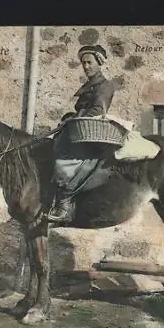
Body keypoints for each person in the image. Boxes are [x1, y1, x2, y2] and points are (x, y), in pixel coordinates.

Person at [47, 45, 116, 223]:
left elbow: (97, 110)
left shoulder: (105, 85)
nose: (86, 66)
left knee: (64, 160)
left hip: (89, 133)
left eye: (89, 62)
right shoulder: (88, 86)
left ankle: (65, 205)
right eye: (83, 63)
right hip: (78, 129)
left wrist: (76, 118)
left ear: (99, 63)